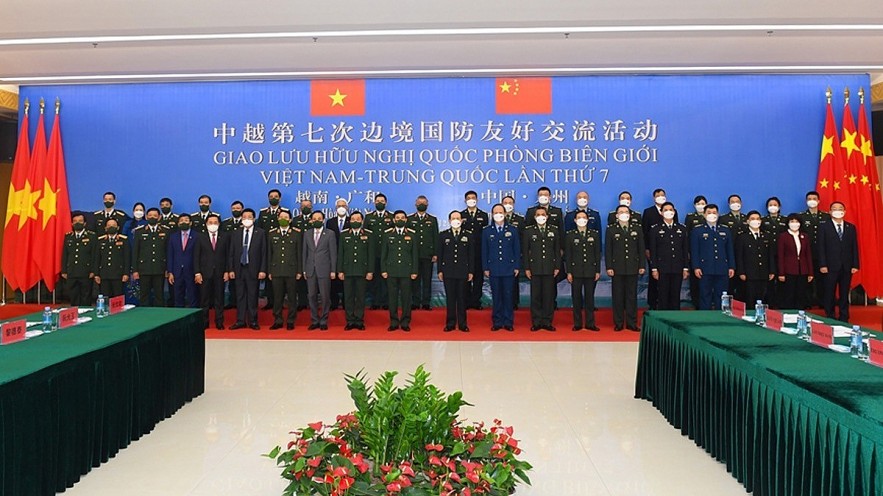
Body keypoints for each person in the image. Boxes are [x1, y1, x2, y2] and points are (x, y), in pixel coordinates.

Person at [817, 202, 859, 322]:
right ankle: (830, 315)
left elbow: (854, 247)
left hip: (846, 266)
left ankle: (844, 316)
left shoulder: (850, 227)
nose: (837, 211)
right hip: (830, 266)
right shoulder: (824, 227)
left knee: (844, 293)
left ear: (844, 212)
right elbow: (821, 247)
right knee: (829, 292)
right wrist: (822, 264)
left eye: (840, 209)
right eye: (834, 209)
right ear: (829, 212)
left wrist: (855, 264)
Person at [606, 205, 645, 331]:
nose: (624, 214)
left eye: (626, 212)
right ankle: (618, 323)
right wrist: (609, 266)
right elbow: (608, 250)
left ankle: (631, 323)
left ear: (630, 214)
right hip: (617, 268)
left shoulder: (637, 228)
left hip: (633, 267)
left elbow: (641, 248)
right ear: (616, 215)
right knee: (618, 296)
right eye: (621, 212)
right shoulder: (611, 229)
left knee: (631, 296)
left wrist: (642, 265)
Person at [522, 206, 561, 331]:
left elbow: (557, 250)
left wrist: (557, 267)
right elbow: (525, 251)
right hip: (535, 268)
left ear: (547, 216)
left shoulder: (554, 230)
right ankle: (537, 321)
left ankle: (547, 321)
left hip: (549, 268)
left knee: (548, 296)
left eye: (543, 214)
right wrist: (527, 268)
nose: (540, 216)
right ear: (534, 217)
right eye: (538, 214)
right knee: (536, 297)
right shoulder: (529, 231)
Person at [482, 204, 520, 331]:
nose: (498, 214)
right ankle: (497, 321)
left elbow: (517, 249)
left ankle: (508, 321)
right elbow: (484, 251)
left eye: (500, 212)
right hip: (493, 268)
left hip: (509, 268)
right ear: (492, 214)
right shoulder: (487, 231)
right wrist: (485, 267)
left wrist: (516, 266)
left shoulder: (513, 230)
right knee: (497, 296)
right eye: (495, 212)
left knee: (508, 296)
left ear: (505, 213)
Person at [691, 204, 734, 311]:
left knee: (721, 295)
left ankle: (721, 318)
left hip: (722, 268)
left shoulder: (725, 230)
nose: (712, 215)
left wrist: (732, 266)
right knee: (705, 294)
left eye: (714, 213)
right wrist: (696, 267)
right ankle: (705, 318)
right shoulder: (697, 231)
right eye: (709, 213)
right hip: (705, 268)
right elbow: (694, 251)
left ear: (718, 214)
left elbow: (730, 250)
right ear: (704, 215)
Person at [381, 210, 419, 332]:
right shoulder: (387, 234)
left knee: (406, 298)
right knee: (392, 298)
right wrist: (383, 269)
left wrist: (414, 271)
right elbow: (384, 254)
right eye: (397, 218)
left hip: (406, 271)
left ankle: (405, 322)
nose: (400, 219)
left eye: (402, 217)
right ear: (393, 220)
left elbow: (414, 255)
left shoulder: (412, 235)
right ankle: (393, 321)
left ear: (406, 220)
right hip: (391, 271)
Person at [228, 209, 266, 330]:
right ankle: (240, 321)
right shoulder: (236, 232)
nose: (246, 219)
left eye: (249, 217)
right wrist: (231, 269)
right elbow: (231, 253)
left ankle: (253, 321)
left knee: (252, 295)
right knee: (240, 296)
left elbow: (264, 253)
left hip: (253, 269)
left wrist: (262, 270)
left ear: (254, 219)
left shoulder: (260, 232)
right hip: (239, 268)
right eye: (244, 217)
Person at [647, 202, 689, 311]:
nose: (669, 212)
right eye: (665, 210)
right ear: (661, 213)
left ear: (674, 212)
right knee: (663, 296)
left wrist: (685, 268)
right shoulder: (655, 229)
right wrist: (654, 269)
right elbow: (653, 251)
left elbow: (685, 250)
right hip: (662, 268)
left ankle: (675, 320)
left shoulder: (682, 229)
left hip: (677, 267)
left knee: (675, 296)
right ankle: (664, 320)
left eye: (671, 209)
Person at [337, 211, 375, 330]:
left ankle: (359, 320)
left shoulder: (368, 234)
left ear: (362, 221)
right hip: (347, 270)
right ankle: (349, 320)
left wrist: (370, 271)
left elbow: (371, 254)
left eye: (357, 219)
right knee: (348, 297)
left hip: (362, 271)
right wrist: (340, 270)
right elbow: (340, 254)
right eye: (353, 219)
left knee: (360, 296)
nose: (355, 221)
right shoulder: (344, 235)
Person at [438, 210, 474, 332]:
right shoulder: (443, 235)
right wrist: (440, 270)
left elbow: (471, 255)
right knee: (450, 298)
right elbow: (440, 254)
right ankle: (450, 323)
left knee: (462, 298)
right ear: (449, 221)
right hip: (448, 271)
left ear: (462, 220)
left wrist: (471, 271)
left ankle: (463, 323)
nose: (456, 220)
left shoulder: (468, 235)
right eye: (453, 218)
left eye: (458, 218)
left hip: (463, 271)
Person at [564, 210, 601, 331]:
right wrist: (569, 272)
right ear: (574, 220)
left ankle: (590, 323)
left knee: (590, 298)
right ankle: (578, 323)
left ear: (587, 219)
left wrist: (597, 271)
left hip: (590, 270)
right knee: (576, 298)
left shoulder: (594, 234)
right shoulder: (570, 235)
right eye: (578, 217)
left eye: (583, 217)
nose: (581, 219)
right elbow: (568, 256)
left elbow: (597, 254)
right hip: (576, 271)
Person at [642, 189, 677, 310]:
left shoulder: (672, 211)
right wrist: (647, 249)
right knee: (654, 277)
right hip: (652, 250)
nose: (660, 197)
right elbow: (645, 231)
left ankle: (667, 304)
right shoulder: (648, 212)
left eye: (662, 195)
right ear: (654, 198)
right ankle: (652, 303)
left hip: (668, 252)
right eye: (658, 195)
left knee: (669, 280)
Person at [268, 210, 303, 330]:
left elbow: (299, 253)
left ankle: (291, 320)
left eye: (286, 217)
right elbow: (269, 254)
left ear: (290, 220)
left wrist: (299, 270)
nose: (283, 218)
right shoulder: (272, 233)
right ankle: (278, 319)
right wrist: (269, 271)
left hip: (291, 270)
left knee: (292, 297)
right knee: (277, 297)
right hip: (276, 270)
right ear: (278, 219)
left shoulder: (296, 233)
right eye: (281, 217)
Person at [194, 214, 230, 330]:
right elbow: (196, 256)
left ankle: (219, 321)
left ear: (219, 224)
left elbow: (228, 255)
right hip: (205, 272)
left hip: (220, 272)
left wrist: (227, 271)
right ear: (206, 224)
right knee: (204, 299)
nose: (213, 224)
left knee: (219, 298)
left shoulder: (225, 236)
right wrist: (197, 272)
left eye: (215, 222)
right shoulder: (200, 237)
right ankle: (204, 322)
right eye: (210, 222)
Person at [303, 211, 336, 330]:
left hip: (324, 269)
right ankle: (314, 320)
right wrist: (304, 270)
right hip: (310, 269)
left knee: (325, 296)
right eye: (314, 218)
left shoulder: (330, 234)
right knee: (311, 295)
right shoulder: (307, 233)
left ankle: (324, 320)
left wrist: (333, 270)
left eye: (319, 218)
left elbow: (333, 253)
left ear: (323, 220)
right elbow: (304, 253)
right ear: (311, 220)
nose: (317, 220)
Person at [259, 189, 292, 310]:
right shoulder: (263, 213)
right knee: (270, 274)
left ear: (280, 198)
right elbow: (261, 231)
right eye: (271, 196)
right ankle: (270, 301)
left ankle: (282, 301)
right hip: (268, 246)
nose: (273, 198)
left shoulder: (285, 212)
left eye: (276, 196)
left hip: (281, 246)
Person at [797, 191, 831, 308]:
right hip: (806, 253)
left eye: (814, 198)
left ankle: (822, 301)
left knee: (823, 279)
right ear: (806, 202)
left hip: (822, 254)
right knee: (807, 279)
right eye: (809, 198)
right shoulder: (801, 217)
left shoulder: (826, 216)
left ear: (818, 201)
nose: (812, 200)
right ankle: (808, 301)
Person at [735, 211, 776, 306]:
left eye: (758, 219)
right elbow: (739, 256)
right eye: (752, 219)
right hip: (749, 274)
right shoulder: (742, 237)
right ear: (748, 221)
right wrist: (741, 272)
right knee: (750, 298)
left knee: (763, 297)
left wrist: (772, 271)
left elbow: (770, 255)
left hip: (763, 272)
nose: (755, 221)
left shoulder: (766, 235)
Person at [132, 207, 169, 307]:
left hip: (160, 268)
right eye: (150, 215)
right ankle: (144, 317)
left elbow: (168, 251)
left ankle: (159, 317)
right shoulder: (139, 231)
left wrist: (167, 269)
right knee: (144, 295)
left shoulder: (165, 231)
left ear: (159, 217)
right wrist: (135, 270)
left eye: (155, 215)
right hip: (144, 269)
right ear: (146, 216)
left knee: (159, 295)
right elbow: (135, 252)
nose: (152, 217)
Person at [408, 195, 439, 311]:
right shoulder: (410, 219)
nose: (421, 204)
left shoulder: (432, 220)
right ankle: (415, 302)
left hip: (428, 255)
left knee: (427, 280)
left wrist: (435, 253)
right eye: (419, 202)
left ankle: (426, 302)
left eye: (424, 202)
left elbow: (435, 237)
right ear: (415, 204)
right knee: (415, 280)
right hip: (413, 256)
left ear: (427, 204)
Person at [777, 214, 813, 310]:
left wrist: (810, 272)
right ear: (788, 223)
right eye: (792, 222)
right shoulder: (783, 236)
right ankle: (789, 313)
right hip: (789, 270)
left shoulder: (804, 236)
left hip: (803, 270)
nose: (794, 224)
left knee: (801, 294)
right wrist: (781, 273)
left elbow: (808, 255)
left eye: (796, 222)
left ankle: (800, 313)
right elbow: (781, 256)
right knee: (789, 294)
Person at [461, 190, 489, 309]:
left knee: (478, 278)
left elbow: (486, 234)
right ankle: (466, 302)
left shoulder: (483, 215)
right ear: (465, 200)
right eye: (468, 197)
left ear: (477, 200)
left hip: (478, 251)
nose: (471, 199)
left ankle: (476, 302)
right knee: (466, 277)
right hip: (465, 252)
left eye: (473, 197)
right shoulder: (461, 215)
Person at [61, 212, 96, 306]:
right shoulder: (68, 236)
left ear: (85, 223)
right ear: (72, 223)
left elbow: (94, 255)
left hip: (86, 271)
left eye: (80, 221)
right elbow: (65, 254)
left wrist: (93, 270)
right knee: (73, 295)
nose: (77, 223)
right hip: (72, 271)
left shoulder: (91, 236)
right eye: (75, 221)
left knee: (86, 296)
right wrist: (64, 270)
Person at [366, 193, 393, 309]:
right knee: (375, 279)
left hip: (388, 254)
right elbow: (365, 236)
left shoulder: (392, 217)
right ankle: (375, 302)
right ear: (374, 203)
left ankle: (386, 302)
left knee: (387, 279)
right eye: (377, 201)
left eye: (382, 201)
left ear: (386, 203)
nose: (380, 203)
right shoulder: (368, 217)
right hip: (374, 253)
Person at [92, 218, 130, 298]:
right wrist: (96, 274)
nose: (111, 227)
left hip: (118, 274)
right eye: (109, 225)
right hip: (104, 274)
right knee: (105, 297)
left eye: (113, 225)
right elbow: (97, 258)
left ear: (118, 227)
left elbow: (127, 258)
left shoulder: (124, 240)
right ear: (105, 228)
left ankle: (119, 311)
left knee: (118, 298)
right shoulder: (100, 240)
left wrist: (126, 273)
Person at [167, 214, 198, 308]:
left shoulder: (197, 236)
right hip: (177, 272)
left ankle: (193, 319)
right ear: (178, 223)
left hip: (192, 271)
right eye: (181, 220)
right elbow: (170, 255)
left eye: (186, 220)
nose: (184, 222)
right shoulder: (173, 237)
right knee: (178, 297)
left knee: (193, 297)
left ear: (191, 223)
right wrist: (170, 272)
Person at [325, 198, 350, 311]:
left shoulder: (351, 220)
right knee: (333, 280)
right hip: (333, 254)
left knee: (347, 281)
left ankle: (346, 303)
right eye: (339, 205)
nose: (341, 208)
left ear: (347, 207)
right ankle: (333, 302)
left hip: (347, 254)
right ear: (335, 208)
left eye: (343, 205)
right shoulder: (330, 222)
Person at [502, 195, 525, 309]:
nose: (508, 204)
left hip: (514, 254)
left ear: (513, 204)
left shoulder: (520, 219)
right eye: (505, 202)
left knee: (514, 279)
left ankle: (514, 302)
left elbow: (522, 237)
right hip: (502, 254)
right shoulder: (498, 219)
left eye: (510, 202)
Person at [221, 200, 245, 309]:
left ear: (242, 210)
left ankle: (241, 302)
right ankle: (231, 301)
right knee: (231, 279)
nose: (236, 210)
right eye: (234, 209)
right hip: (228, 254)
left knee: (242, 280)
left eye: (238, 209)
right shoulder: (226, 223)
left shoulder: (246, 223)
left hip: (243, 255)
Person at [684, 195, 707, 309]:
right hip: (694, 251)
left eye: (703, 203)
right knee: (695, 279)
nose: (701, 206)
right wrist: (688, 251)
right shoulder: (690, 217)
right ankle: (695, 302)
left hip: (707, 253)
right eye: (698, 204)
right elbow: (686, 235)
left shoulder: (710, 217)